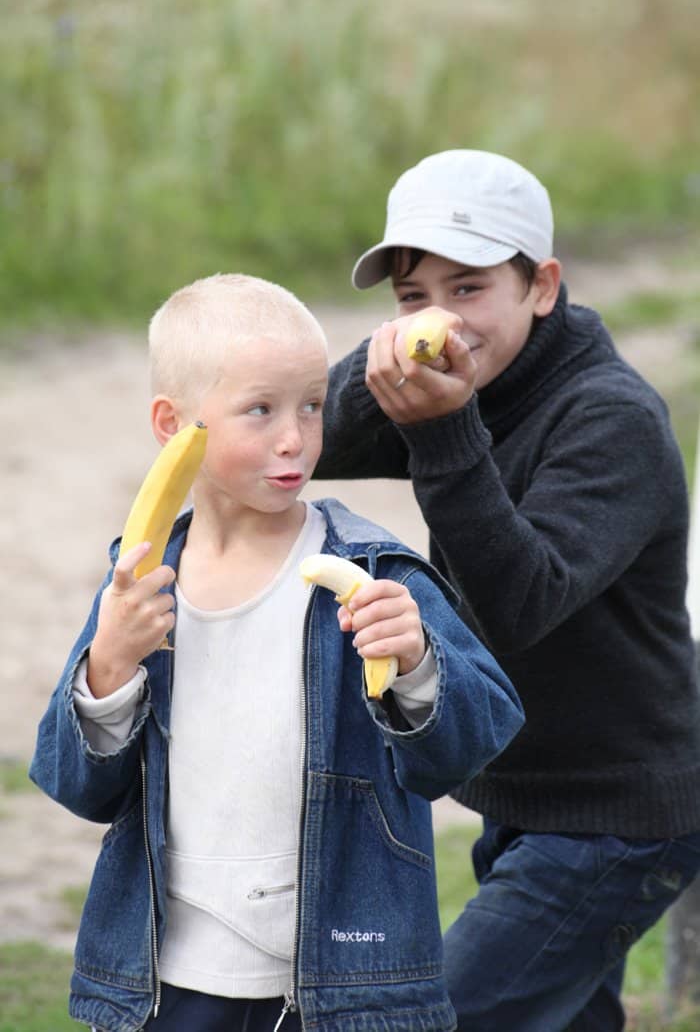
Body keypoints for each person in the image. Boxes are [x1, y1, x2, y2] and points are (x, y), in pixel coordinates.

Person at [29, 272, 524, 1032]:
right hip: (165, 979)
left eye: (312, 406)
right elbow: (77, 784)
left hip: (338, 983)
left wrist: (420, 663)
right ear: (174, 424)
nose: (296, 438)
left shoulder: (373, 572)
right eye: (260, 410)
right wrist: (109, 668)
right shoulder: (136, 584)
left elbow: (472, 745)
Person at [315, 149, 700, 1031]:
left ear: (544, 286)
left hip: (619, 811)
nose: (441, 322)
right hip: (525, 791)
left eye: (469, 288)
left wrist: (445, 433)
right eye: (415, 298)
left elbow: (516, 609)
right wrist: (387, 376)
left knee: (437, 1016)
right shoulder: (461, 381)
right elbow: (308, 442)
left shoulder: (612, 420)